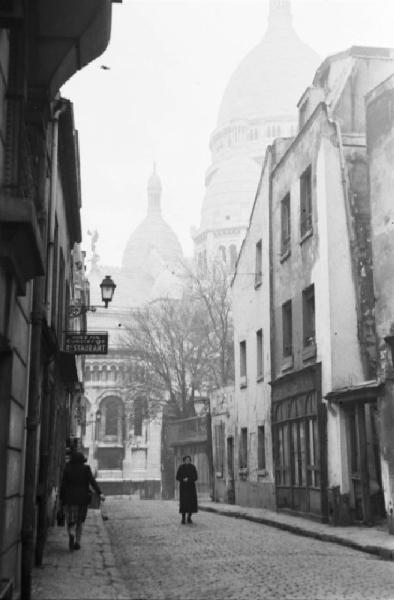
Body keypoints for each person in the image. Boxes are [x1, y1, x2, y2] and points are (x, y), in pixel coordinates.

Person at [59, 451, 105, 551]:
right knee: (80, 522)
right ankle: (78, 542)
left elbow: (63, 485)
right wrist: (100, 493)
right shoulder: (86, 469)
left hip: (70, 499)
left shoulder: (67, 469)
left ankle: (71, 533)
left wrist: (61, 499)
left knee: (71, 521)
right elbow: (92, 482)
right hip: (83, 499)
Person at [176, 455, 198, 524]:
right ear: (184, 460)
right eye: (186, 460)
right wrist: (182, 479)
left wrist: (189, 479)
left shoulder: (193, 467)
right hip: (183, 488)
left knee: (191, 503)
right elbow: (177, 477)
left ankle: (189, 517)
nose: (187, 461)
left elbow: (196, 477)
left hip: (191, 487)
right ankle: (183, 518)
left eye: (189, 460)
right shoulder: (181, 467)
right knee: (184, 503)